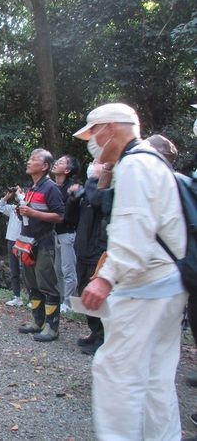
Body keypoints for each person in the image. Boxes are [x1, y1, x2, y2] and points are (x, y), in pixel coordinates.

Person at [75, 103, 187, 440]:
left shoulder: (136, 165)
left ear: (110, 128)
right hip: (169, 283)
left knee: (116, 373)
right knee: (156, 377)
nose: (91, 141)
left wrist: (106, 277)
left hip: (145, 285)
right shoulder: (153, 162)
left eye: (93, 133)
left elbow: (133, 229)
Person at [16, 149, 65, 342]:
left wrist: (33, 213)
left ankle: (52, 328)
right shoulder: (33, 188)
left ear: (45, 166)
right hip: (27, 243)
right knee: (32, 283)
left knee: (47, 284)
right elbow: (29, 212)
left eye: (33, 159)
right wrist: (21, 210)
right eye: (29, 158)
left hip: (44, 242)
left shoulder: (50, 188)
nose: (29, 162)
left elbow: (60, 216)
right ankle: (38, 322)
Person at [65, 159, 108, 355]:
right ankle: (94, 332)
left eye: (98, 161)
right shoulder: (87, 191)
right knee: (84, 293)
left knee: (97, 296)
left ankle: (103, 338)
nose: (93, 163)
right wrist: (73, 200)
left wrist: (94, 179)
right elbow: (71, 218)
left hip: (97, 251)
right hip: (82, 250)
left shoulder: (106, 190)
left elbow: (99, 201)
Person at [51, 155, 80, 312]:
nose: (56, 163)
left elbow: (67, 213)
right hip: (55, 233)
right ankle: (62, 300)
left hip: (68, 233)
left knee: (68, 269)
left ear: (67, 170)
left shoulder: (73, 189)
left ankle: (68, 303)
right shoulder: (52, 187)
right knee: (58, 270)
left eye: (60, 162)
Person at [0, 186, 24, 306]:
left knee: (27, 271)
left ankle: (33, 297)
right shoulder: (13, 209)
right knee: (14, 271)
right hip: (12, 241)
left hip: (24, 242)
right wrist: (7, 196)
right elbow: (0, 207)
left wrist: (20, 195)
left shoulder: (27, 208)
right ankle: (17, 296)